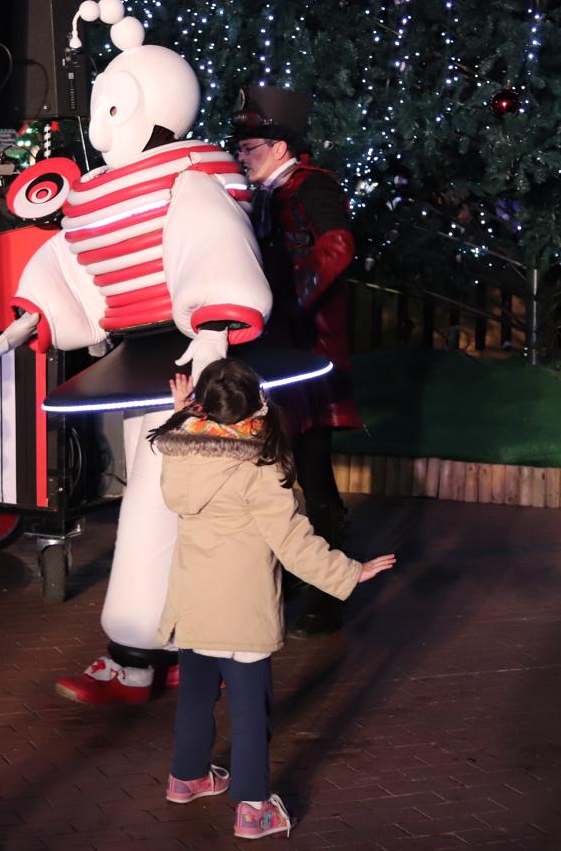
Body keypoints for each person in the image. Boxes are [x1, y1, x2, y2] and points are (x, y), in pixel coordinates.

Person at [0, 0, 275, 705]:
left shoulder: (188, 182)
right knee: (180, 505)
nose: (98, 123)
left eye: (112, 107)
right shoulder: (114, 195)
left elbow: (215, 247)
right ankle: (177, 648)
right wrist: (37, 312)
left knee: (157, 504)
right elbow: (81, 259)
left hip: (190, 361)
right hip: (154, 364)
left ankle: (136, 654)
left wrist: (216, 324)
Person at [151, 359, 395, 839]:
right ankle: (253, 809)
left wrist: (180, 412)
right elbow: (292, 541)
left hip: (192, 601)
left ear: (203, 404)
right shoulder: (260, 463)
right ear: (255, 405)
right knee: (248, 713)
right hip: (242, 607)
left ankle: (188, 777)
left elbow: (186, 448)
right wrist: (349, 572)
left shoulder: (179, 450)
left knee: (196, 699)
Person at [232, 84, 363, 636]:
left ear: (282, 146)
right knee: (276, 469)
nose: (242, 154)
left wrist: (292, 300)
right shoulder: (262, 193)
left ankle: (327, 594)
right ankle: (290, 578)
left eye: (253, 145)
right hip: (275, 351)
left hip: (306, 355)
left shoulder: (312, 187)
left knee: (310, 470)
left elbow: (338, 245)